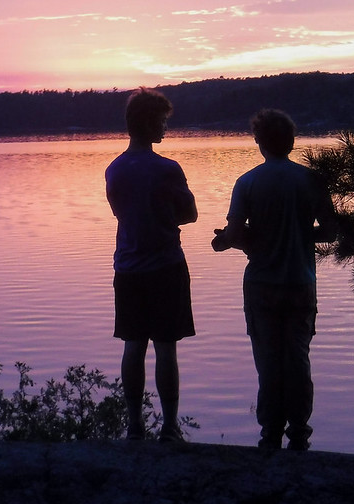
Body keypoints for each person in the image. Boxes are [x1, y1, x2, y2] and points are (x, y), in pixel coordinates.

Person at [212, 108, 337, 451]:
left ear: (260, 142)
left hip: (262, 285)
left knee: (268, 360)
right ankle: (299, 433)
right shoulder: (312, 179)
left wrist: (229, 239)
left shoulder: (247, 182)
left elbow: (235, 234)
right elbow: (330, 231)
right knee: (297, 358)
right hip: (300, 283)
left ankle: (270, 435)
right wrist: (297, 235)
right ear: (292, 142)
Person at [105, 87, 198, 442]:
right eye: (161, 121)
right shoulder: (167, 169)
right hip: (165, 267)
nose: (165, 128)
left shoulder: (114, 170)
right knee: (166, 348)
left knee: (133, 344)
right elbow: (189, 214)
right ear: (147, 122)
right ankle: (170, 427)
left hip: (127, 268)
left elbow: (121, 212)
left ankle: (134, 425)